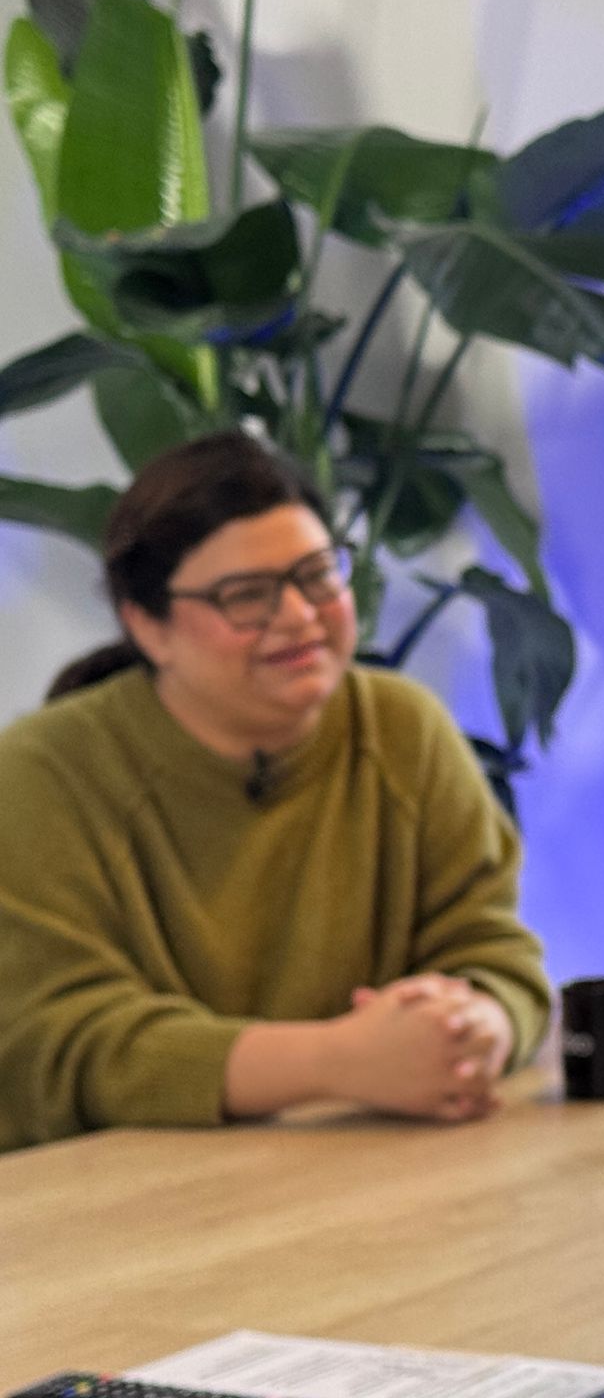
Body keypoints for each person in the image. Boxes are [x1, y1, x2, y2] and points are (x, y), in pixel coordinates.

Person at [0, 432, 551, 1151]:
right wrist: (338, 1062)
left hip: (360, 1164)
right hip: (113, 1189)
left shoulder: (403, 730)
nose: (298, 615)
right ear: (147, 626)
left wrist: (478, 1025)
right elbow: (58, 1043)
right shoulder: (44, 772)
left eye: (318, 575)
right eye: (247, 596)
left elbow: (492, 949)